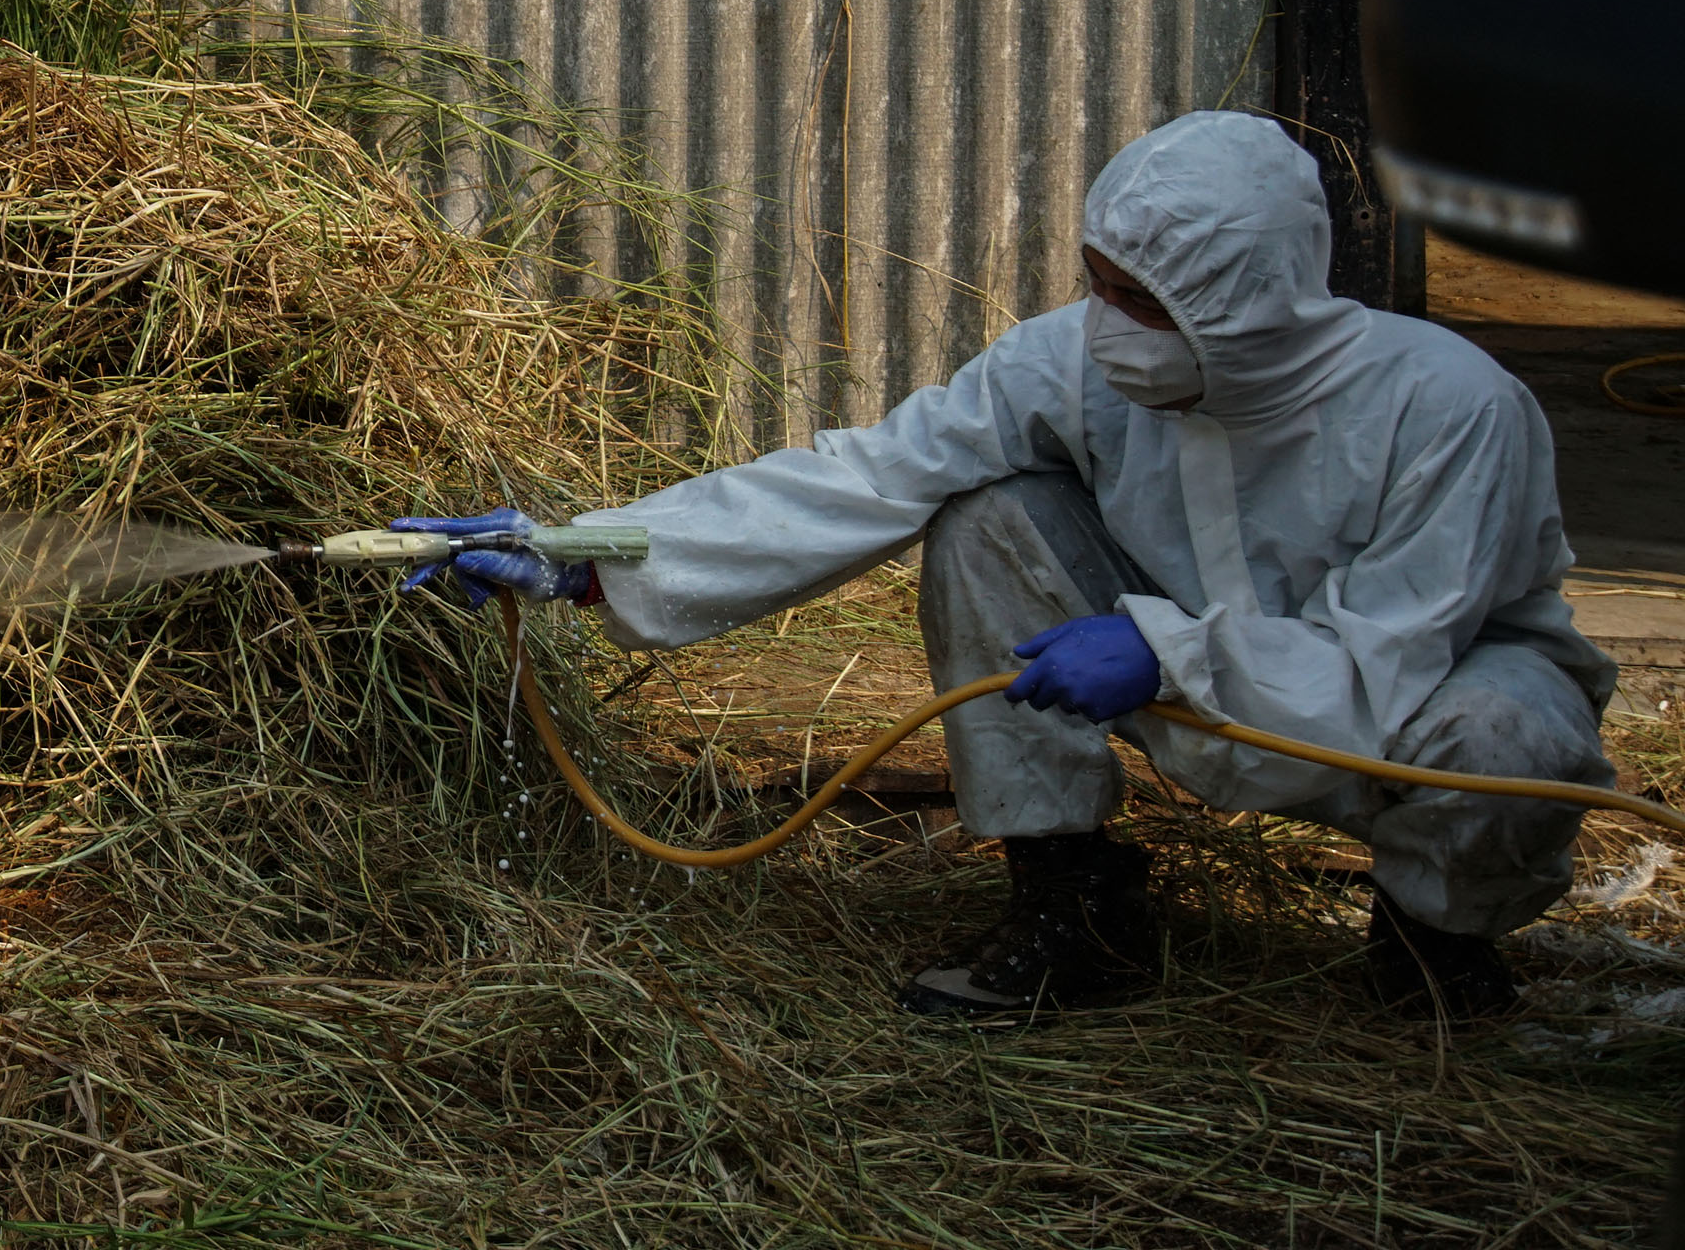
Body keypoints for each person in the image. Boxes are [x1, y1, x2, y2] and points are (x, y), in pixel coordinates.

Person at [405, 111, 1615, 1019]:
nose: (1101, 323)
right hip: (1156, 655)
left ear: (1244, 299)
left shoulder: (1449, 403)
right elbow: (866, 473)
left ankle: (1430, 943)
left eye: (1137, 298)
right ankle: (1071, 901)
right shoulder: (1074, 361)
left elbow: (1391, 650)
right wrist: (588, 551)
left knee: (1508, 735)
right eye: (1093, 282)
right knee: (980, 511)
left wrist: (1169, 649)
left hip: (1402, 701)